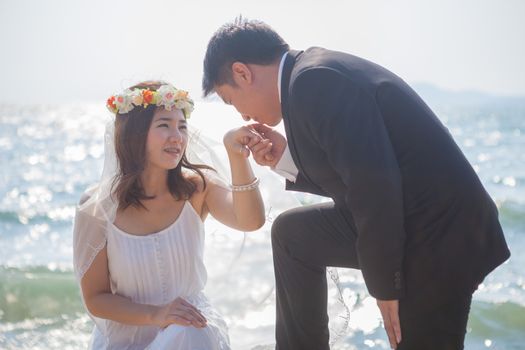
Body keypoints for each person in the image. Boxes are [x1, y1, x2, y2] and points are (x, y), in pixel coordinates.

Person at [202, 18, 511, 350]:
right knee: (294, 236)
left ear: (242, 73)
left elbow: (374, 188)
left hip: (440, 235)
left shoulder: (314, 81)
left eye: (231, 101)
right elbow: (358, 174)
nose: (242, 116)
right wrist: (284, 158)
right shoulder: (307, 77)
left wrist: (385, 287)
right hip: (413, 221)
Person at [73, 81, 266, 349]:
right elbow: (95, 298)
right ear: (134, 134)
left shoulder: (198, 187)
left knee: (191, 332)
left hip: (192, 332)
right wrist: (158, 314)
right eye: (164, 125)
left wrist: (237, 157)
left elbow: (250, 221)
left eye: (182, 126)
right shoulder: (97, 208)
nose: (177, 136)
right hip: (125, 341)